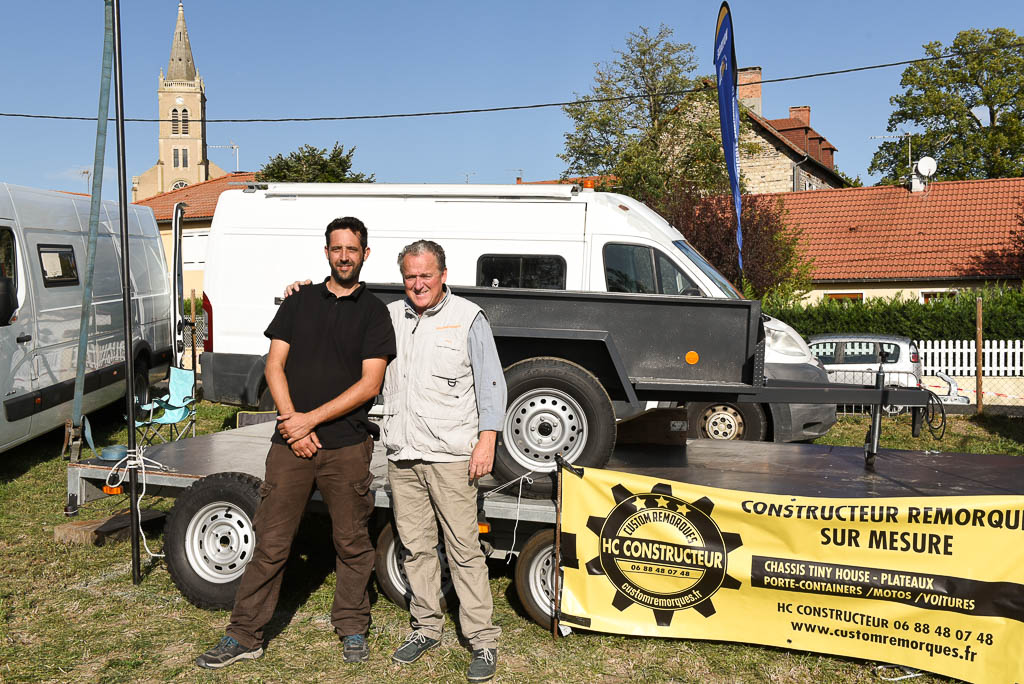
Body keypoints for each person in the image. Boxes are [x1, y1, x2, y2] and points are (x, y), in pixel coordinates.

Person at [195, 217, 396, 669]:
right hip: (290, 446)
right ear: (326, 252)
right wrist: (292, 424)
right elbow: (274, 366)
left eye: (352, 249)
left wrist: (308, 422)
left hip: (346, 446)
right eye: (336, 248)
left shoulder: (374, 312)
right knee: (270, 542)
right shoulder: (299, 301)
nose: (344, 256)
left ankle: (352, 627)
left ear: (365, 254)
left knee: (352, 542)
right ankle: (244, 635)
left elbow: (370, 384)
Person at [384, 240, 505, 683]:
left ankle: (482, 639)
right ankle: (426, 627)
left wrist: (487, 440)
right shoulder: (390, 317)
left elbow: (491, 383)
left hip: (452, 455)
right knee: (415, 548)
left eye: (426, 275)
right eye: (410, 276)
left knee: (464, 551)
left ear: (443, 275)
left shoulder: (468, 317)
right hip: (403, 453)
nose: (418, 284)